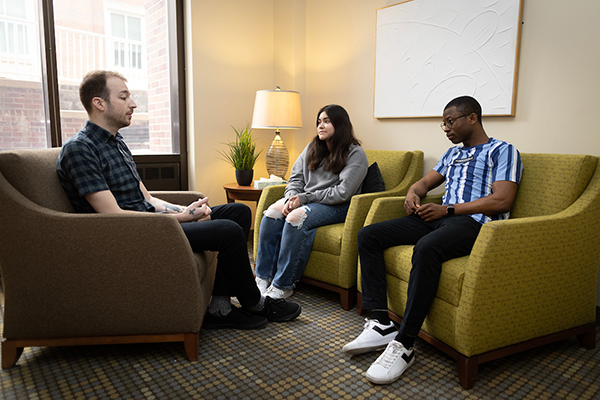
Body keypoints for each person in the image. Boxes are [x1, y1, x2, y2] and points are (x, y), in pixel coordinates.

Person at [56, 70, 301, 331]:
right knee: (228, 231)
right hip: (130, 234)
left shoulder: (117, 143)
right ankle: (256, 302)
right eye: (124, 97)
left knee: (237, 212)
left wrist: (187, 209)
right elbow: (111, 216)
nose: (133, 104)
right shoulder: (81, 149)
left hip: (154, 223)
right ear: (99, 103)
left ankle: (220, 306)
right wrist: (180, 218)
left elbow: (147, 198)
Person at [343, 96, 523, 385]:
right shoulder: (451, 154)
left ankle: (404, 344)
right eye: (444, 123)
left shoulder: (502, 151)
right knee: (370, 235)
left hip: (472, 224)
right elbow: (424, 183)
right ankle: (380, 321)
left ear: (473, 118)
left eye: (450, 121)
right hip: (438, 218)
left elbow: (502, 200)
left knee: (427, 248)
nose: (446, 128)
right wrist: (413, 193)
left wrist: (448, 209)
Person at [254, 104, 369, 299]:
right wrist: (291, 197)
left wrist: (304, 199)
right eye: (319, 122)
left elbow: (342, 193)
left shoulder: (355, 153)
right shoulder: (312, 147)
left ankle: (283, 285)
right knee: (271, 214)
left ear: (340, 125)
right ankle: (262, 278)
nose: (320, 126)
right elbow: (295, 178)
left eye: (326, 121)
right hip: (305, 199)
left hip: (337, 205)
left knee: (295, 218)